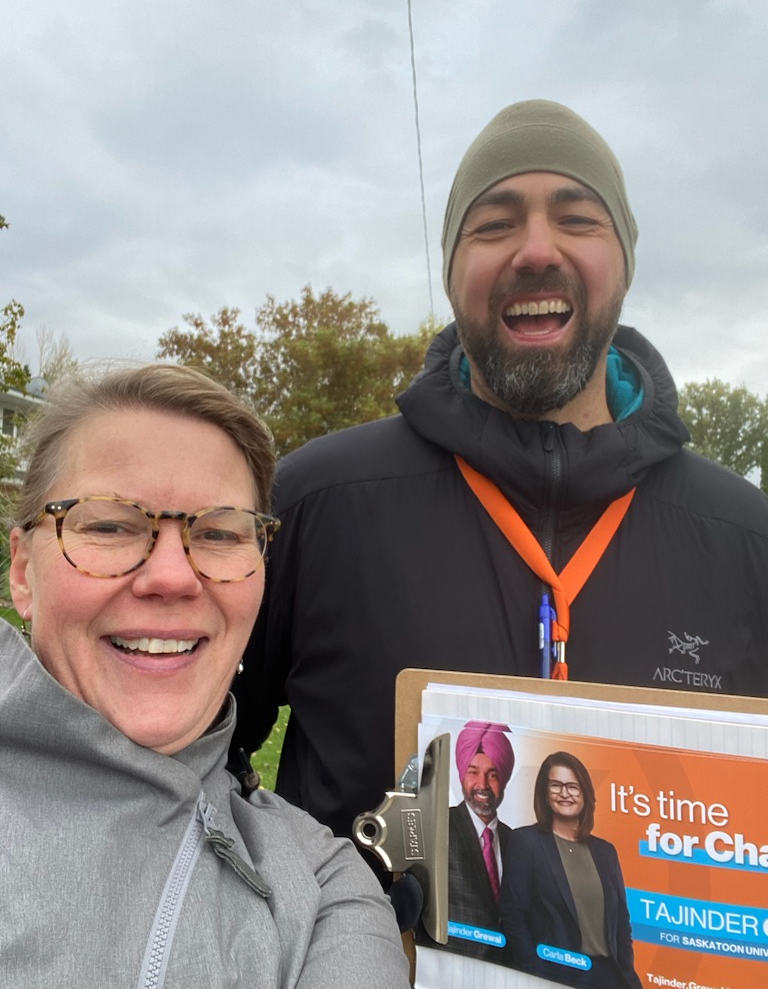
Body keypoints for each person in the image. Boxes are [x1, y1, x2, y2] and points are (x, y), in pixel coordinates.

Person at [232, 99, 768, 873]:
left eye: (578, 219)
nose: (536, 249)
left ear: (623, 264)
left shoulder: (746, 538)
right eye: (493, 224)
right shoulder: (313, 502)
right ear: (452, 271)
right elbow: (192, 757)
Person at [1, 364, 409, 988]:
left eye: (218, 533)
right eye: (109, 525)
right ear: (23, 573)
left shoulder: (324, 889)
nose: (172, 577)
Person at [500, 752, 642, 988]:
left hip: (609, 977)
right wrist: (532, 973)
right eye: (556, 785)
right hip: (555, 975)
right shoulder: (526, 842)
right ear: (545, 793)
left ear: (585, 793)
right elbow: (513, 917)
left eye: (573, 787)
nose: (564, 793)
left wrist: (627, 974)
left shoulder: (606, 852)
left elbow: (621, 923)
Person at [443, 721, 515, 961]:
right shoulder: (439, 827)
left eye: (493, 775)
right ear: (462, 774)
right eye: (473, 772)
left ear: (504, 779)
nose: (482, 785)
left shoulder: (517, 842)